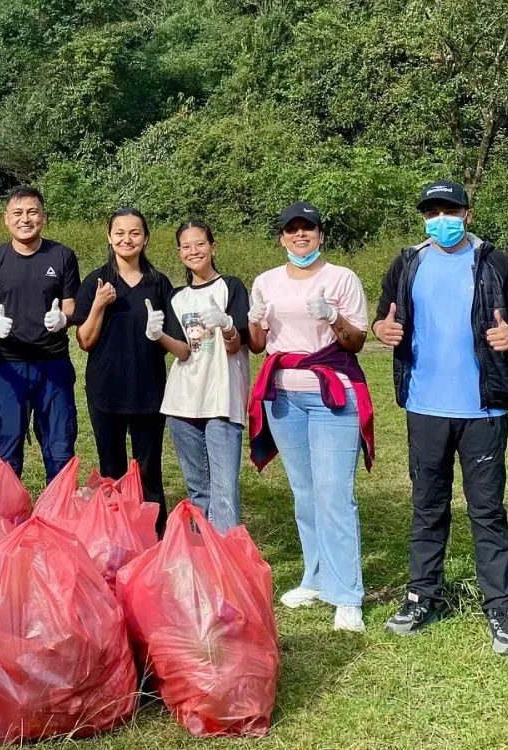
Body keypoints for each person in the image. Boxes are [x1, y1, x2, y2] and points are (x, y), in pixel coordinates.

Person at [373, 179, 508, 657]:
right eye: (432, 211)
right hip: (424, 407)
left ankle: (500, 607)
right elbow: (383, 317)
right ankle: (423, 596)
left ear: (467, 213)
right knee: (427, 508)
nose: (441, 219)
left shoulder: (494, 263)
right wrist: (381, 329)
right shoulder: (408, 263)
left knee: (487, 511)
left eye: (450, 210)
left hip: (483, 408)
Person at [244, 202, 375, 633]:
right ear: (281, 237)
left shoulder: (341, 278)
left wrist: (333, 316)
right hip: (283, 396)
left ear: (320, 234)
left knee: (335, 491)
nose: (300, 236)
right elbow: (259, 344)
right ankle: (315, 577)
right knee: (304, 490)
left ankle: (347, 593)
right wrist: (253, 322)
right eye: (292, 230)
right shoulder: (266, 281)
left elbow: (356, 341)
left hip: (331, 392)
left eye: (308, 229)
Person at [72, 208, 173, 535]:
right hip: (106, 390)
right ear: (109, 237)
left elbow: (174, 338)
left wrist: (161, 334)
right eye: (119, 233)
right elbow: (84, 341)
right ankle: (114, 536)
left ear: (145, 239)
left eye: (134, 233)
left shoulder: (159, 284)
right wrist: (99, 304)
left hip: (149, 389)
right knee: (111, 468)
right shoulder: (96, 282)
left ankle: (154, 536)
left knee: (148, 471)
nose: (126, 239)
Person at [0, 186, 79, 481]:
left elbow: (71, 307)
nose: (25, 219)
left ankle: (57, 518)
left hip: (53, 365)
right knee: (4, 450)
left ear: (43, 217)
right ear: (6, 219)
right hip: (9, 367)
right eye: (18, 213)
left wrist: (63, 319)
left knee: (59, 447)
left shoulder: (62, 256)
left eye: (32, 212)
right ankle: (5, 521)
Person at [156, 220, 252, 533]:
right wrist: (157, 335)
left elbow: (237, 345)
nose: (194, 251)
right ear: (179, 252)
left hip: (221, 399)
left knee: (224, 491)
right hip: (182, 402)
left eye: (200, 244)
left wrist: (226, 325)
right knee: (197, 489)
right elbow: (183, 351)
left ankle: (225, 561)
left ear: (213, 247)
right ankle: (201, 556)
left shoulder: (231, 287)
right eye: (186, 246)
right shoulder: (176, 297)